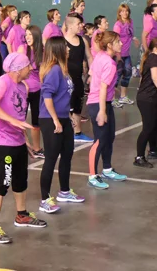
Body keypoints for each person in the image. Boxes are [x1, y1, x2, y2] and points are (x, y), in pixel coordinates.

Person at [0, 52, 46, 244]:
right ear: (18, 69)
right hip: (3, 143)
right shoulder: (2, 83)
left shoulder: (22, 86)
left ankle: (21, 215)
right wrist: (11, 121)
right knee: (2, 183)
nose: (31, 69)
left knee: (20, 181)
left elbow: (19, 117)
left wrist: (24, 139)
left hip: (17, 141)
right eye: (28, 66)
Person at [38, 37, 85, 214]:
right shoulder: (54, 70)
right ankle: (44, 200)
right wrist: (56, 120)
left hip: (63, 117)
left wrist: (68, 116)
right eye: (65, 47)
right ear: (58, 49)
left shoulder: (63, 69)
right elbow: (47, 97)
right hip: (50, 119)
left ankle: (64, 192)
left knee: (67, 154)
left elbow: (62, 97)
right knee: (51, 158)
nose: (68, 49)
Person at [87, 31, 127, 189]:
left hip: (104, 102)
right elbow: (102, 87)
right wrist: (102, 111)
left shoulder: (100, 56)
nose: (121, 44)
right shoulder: (110, 63)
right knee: (99, 140)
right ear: (109, 45)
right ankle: (92, 175)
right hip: (99, 104)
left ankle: (107, 169)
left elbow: (92, 76)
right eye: (118, 41)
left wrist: (112, 91)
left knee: (109, 137)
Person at [64, 13, 93, 143]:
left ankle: (77, 132)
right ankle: (65, 132)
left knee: (77, 107)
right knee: (66, 107)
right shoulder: (61, 42)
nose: (81, 26)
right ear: (70, 26)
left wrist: (91, 73)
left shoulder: (83, 41)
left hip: (78, 79)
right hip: (65, 81)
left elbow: (90, 57)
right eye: (78, 24)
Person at [18, 25, 44, 157]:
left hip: (38, 90)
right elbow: (15, 69)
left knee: (36, 121)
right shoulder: (22, 49)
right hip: (23, 90)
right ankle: (23, 146)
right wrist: (23, 84)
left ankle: (37, 148)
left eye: (30, 34)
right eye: (26, 34)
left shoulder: (43, 51)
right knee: (20, 118)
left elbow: (44, 72)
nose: (27, 37)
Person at [135, 37, 157, 168]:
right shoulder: (154, 57)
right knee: (148, 128)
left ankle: (153, 150)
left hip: (150, 97)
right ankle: (139, 157)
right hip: (147, 99)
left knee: (154, 125)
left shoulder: (150, 58)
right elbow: (155, 78)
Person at [113, 3, 139, 108]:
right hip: (119, 54)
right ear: (119, 13)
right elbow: (115, 40)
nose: (125, 13)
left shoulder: (130, 22)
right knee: (116, 76)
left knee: (127, 74)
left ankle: (123, 97)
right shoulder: (117, 25)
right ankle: (112, 98)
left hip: (126, 54)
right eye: (123, 11)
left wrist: (134, 39)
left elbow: (130, 34)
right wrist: (118, 55)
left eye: (127, 11)